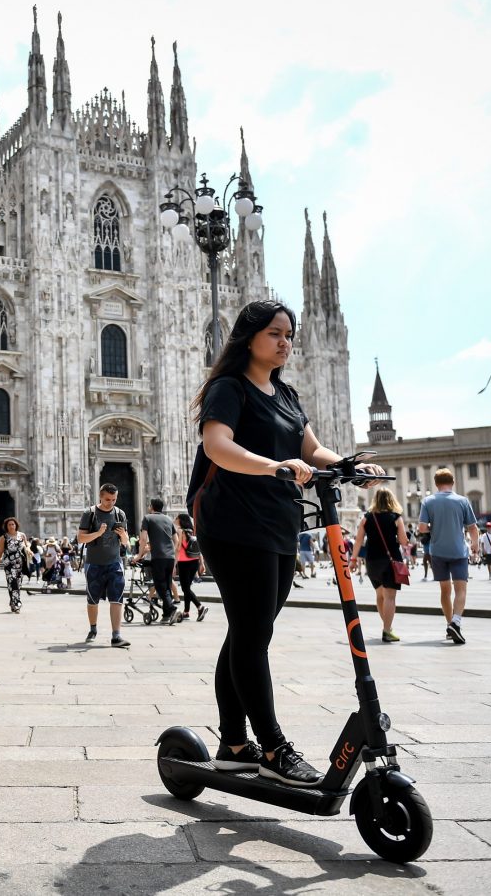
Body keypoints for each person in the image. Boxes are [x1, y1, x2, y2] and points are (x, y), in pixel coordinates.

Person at [189, 299, 384, 787]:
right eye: (275, 333)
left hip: (277, 521)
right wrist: (273, 466)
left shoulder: (286, 395)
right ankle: (273, 749)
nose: (285, 343)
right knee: (252, 634)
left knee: (248, 633)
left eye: (289, 335)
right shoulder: (228, 388)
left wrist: (349, 466)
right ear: (249, 337)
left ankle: (233, 745)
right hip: (231, 522)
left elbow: (310, 448)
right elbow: (217, 445)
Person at [419, 468, 480, 644]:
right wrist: (475, 544)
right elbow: (472, 527)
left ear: (436, 484)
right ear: (453, 482)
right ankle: (456, 622)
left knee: (445, 591)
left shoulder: (428, 501)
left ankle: (449, 624)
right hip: (458, 551)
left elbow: (422, 528)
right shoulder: (462, 501)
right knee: (461, 589)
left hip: (437, 552)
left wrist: (434, 527)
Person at [350, 486, 409, 643]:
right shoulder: (396, 517)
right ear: (391, 500)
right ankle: (387, 630)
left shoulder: (367, 518)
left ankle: (387, 627)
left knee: (380, 595)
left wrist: (353, 560)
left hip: (372, 561)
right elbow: (403, 541)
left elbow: (358, 540)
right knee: (390, 597)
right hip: (390, 561)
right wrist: (405, 537)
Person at [77, 483, 132, 648]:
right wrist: (98, 533)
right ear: (100, 497)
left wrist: (123, 536)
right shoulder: (90, 513)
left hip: (115, 563)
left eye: (114, 499)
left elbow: (126, 543)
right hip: (94, 564)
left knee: (117, 599)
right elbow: (81, 538)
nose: (111, 503)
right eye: (108, 499)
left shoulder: (120, 514)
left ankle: (116, 636)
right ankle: (93, 628)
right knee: (93, 600)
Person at [138, 496, 180, 623]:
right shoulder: (168, 519)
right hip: (170, 557)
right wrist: (172, 553)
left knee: (160, 585)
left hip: (158, 557)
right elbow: (176, 540)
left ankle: (172, 608)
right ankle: (167, 615)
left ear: (151, 506)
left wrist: (139, 555)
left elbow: (143, 539)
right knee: (167, 585)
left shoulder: (147, 518)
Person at [174, 513, 208, 621]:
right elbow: (199, 549)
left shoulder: (180, 531)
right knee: (187, 588)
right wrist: (202, 563)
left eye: (176, 518)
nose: (175, 519)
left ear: (180, 520)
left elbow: (178, 548)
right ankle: (186, 612)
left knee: (185, 588)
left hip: (183, 563)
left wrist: (174, 565)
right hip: (194, 562)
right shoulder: (192, 531)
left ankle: (200, 606)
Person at [0, 517, 28, 613]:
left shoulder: (22, 535)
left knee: (18, 584)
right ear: (6, 526)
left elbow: (26, 546)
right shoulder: (3, 537)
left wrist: (29, 551)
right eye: (9, 524)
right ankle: (17, 604)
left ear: (16, 525)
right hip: (9, 563)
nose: (11, 526)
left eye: (13, 524)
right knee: (12, 583)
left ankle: (13, 602)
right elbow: (0, 551)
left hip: (20, 563)